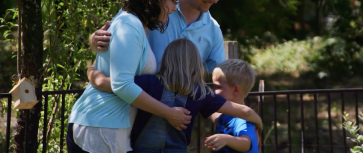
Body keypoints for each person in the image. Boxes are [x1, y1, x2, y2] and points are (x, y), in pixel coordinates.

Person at [67, 0, 192, 153]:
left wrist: (95, 74)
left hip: (110, 125)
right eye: (173, 2)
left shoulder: (137, 24)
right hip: (102, 126)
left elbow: (108, 72)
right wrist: (169, 113)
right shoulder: (129, 25)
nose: (175, 8)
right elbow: (122, 85)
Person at [89, 38, 262, 152]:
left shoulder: (149, 83)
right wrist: (259, 124)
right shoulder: (200, 92)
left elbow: (104, 83)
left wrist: (90, 70)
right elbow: (244, 112)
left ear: (166, 60)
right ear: (196, 64)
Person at [89, 0, 229, 72]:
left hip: (178, 104)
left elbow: (221, 78)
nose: (215, 0)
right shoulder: (152, 2)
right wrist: (95, 41)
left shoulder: (213, 30)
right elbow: (111, 38)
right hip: (132, 98)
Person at [205, 59, 259, 153]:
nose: (214, 92)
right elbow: (215, 117)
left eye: (218, 87)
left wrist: (226, 139)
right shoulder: (227, 115)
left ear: (236, 90)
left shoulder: (242, 119)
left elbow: (246, 143)